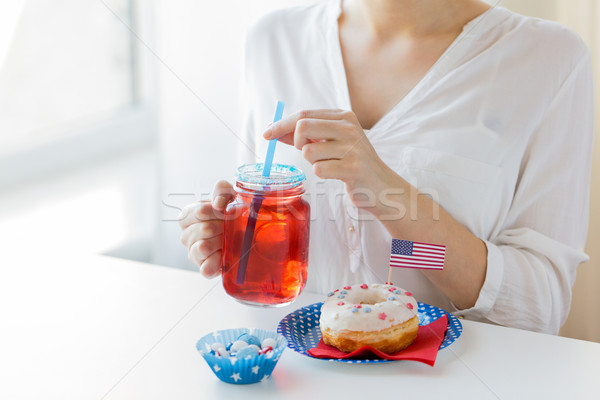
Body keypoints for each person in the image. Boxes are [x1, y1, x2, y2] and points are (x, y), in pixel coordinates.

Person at [178, 0, 594, 334]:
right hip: (291, 379)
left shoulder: (548, 59)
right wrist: (234, 237)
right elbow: (268, 228)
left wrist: (386, 196)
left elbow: (539, 307)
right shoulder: (273, 40)